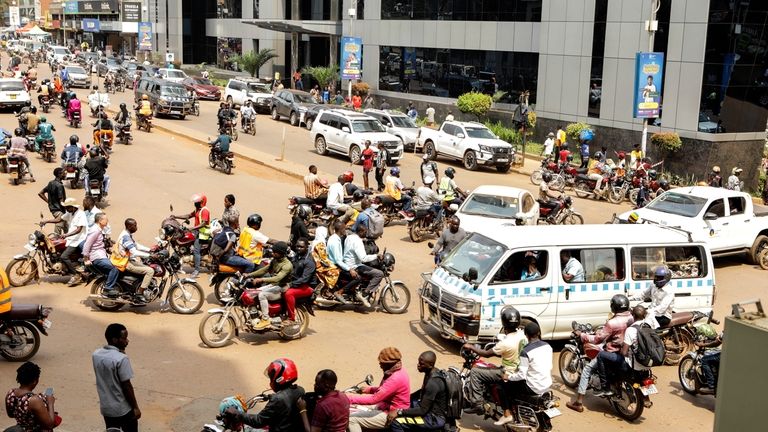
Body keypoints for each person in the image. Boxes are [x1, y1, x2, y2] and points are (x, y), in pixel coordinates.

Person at [566, 294, 634, 412]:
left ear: (613, 307)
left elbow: (597, 339)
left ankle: (578, 403)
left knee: (587, 369)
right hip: (628, 353)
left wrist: (583, 335)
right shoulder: (631, 317)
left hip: (612, 352)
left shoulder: (612, 323)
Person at [462, 307, 527, 422]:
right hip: (520, 370)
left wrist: (471, 346)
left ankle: (478, 405)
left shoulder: (505, 342)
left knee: (475, 372)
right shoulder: (523, 336)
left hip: (507, 372)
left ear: (503, 323)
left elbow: (486, 353)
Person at [224, 358, 305, 431]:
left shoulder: (278, 399)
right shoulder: (300, 390)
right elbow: (286, 399)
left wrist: (238, 413)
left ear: (280, 378)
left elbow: (258, 421)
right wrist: (270, 396)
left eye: (272, 377)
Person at [594, 305, 654, 399]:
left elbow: (624, 352)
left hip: (632, 365)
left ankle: (605, 388)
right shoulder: (649, 326)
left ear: (633, 315)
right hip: (647, 364)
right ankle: (646, 398)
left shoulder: (631, 330)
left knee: (602, 355)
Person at [504, 323, 554, 431]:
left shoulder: (525, 351)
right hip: (547, 385)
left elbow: (521, 375)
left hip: (533, 387)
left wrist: (508, 376)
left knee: (506, 387)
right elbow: (549, 366)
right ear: (539, 333)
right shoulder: (548, 346)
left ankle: (509, 414)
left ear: (526, 335)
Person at [348, 347, 411, 432]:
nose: (380, 365)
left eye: (382, 363)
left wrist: (348, 398)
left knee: (351, 420)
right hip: (385, 405)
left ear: (390, 363)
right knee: (358, 408)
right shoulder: (396, 370)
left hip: (391, 413)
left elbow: (374, 399)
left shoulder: (395, 378)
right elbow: (386, 389)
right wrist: (369, 389)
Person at [387, 351, 448, 431]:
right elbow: (422, 392)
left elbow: (422, 410)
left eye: (421, 364)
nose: (418, 365)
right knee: (406, 403)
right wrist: (405, 398)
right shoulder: (430, 372)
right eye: (418, 362)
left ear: (430, 365)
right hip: (427, 408)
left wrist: (399, 411)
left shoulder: (433, 383)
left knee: (396, 422)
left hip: (433, 419)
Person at [246, 241, 293, 329]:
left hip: (282, 287)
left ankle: (265, 319)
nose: (273, 253)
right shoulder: (275, 260)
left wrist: (261, 279)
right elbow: (264, 270)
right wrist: (249, 275)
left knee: (262, 295)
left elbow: (277, 278)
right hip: (274, 285)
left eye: (275, 252)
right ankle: (256, 314)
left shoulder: (287, 265)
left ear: (281, 253)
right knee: (253, 292)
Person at [5, 361, 60, 432]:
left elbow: (11, 414)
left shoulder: (10, 393)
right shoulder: (34, 400)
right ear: (35, 381)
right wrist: (50, 403)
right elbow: (49, 424)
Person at [342, 223, 384, 307]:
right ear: (360, 232)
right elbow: (363, 258)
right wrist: (376, 256)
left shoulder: (350, 237)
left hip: (347, 263)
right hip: (355, 266)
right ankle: (364, 294)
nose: (366, 233)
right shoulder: (358, 241)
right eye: (365, 232)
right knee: (379, 274)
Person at [172, 194, 211, 278]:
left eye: (196, 202)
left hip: (202, 234)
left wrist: (192, 228)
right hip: (196, 232)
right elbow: (188, 216)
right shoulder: (198, 210)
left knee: (196, 251)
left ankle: (196, 270)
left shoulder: (204, 211)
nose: (195, 204)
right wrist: (175, 216)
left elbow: (204, 223)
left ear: (201, 202)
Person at [116, 219, 155, 303]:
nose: (136, 227)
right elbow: (134, 251)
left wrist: (150, 250)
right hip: (126, 262)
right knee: (150, 271)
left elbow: (136, 245)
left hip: (129, 260)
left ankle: (138, 287)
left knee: (146, 266)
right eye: (135, 225)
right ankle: (139, 293)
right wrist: (150, 255)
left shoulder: (127, 234)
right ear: (129, 226)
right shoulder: (125, 237)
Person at [83, 213, 119, 298]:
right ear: (100, 221)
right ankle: (108, 288)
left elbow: (98, 244)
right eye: (105, 219)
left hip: (101, 254)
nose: (107, 221)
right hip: (97, 257)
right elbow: (87, 244)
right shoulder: (95, 230)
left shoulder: (98, 230)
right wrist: (86, 258)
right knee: (114, 269)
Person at [283, 238, 317, 323]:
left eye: (301, 247)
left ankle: (291, 318)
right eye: (297, 246)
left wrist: (290, 284)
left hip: (307, 287)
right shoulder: (297, 256)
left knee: (288, 293)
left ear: (307, 247)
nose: (298, 248)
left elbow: (304, 279)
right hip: (297, 283)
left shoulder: (309, 261)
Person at [310, 226, 340, 295]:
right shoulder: (320, 243)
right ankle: (328, 287)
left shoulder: (315, 241)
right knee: (336, 271)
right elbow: (324, 258)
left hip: (316, 262)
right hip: (319, 265)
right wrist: (332, 263)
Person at [37, 168, 67, 234]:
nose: (65, 174)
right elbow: (61, 202)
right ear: (59, 174)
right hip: (60, 209)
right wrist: (67, 210)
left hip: (53, 209)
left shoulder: (50, 183)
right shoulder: (59, 186)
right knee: (59, 224)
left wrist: (49, 202)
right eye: (64, 173)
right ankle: (57, 239)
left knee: (66, 225)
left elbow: (40, 193)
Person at [326, 220, 348, 302]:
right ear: (341, 229)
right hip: (335, 265)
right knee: (356, 277)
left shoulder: (335, 238)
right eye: (344, 229)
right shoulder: (335, 241)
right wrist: (349, 268)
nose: (345, 231)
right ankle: (339, 292)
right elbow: (338, 260)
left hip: (335, 263)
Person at [695, 329, 723, 395]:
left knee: (705, 360)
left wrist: (703, 344)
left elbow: (717, 343)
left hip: (725, 355)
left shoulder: (729, 328)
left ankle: (711, 386)